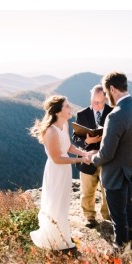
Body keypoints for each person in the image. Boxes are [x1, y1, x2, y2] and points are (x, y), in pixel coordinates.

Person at [84, 71, 132, 252]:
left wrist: (92, 157)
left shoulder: (115, 115)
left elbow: (107, 154)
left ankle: (120, 249)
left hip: (116, 174)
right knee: (128, 207)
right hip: (130, 169)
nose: (105, 96)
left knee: (118, 216)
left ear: (111, 88)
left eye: (105, 91)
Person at [28, 95, 94, 252]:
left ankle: (62, 234)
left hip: (65, 169)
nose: (70, 109)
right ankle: (53, 239)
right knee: (55, 203)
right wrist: (80, 160)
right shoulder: (50, 131)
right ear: (57, 111)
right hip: (56, 170)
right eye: (66, 106)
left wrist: (83, 153)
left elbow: (69, 147)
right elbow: (57, 159)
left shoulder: (64, 125)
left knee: (63, 203)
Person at [72, 85, 113, 228]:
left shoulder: (113, 113)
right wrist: (87, 141)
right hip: (87, 159)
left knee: (107, 190)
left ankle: (108, 215)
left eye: (100, 102)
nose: (97, 105)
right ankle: (89, 217)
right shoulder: (81, 114)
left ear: (106, 99)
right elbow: (75, 138)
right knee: (87, 191)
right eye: (94, 101)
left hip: (107, 160)